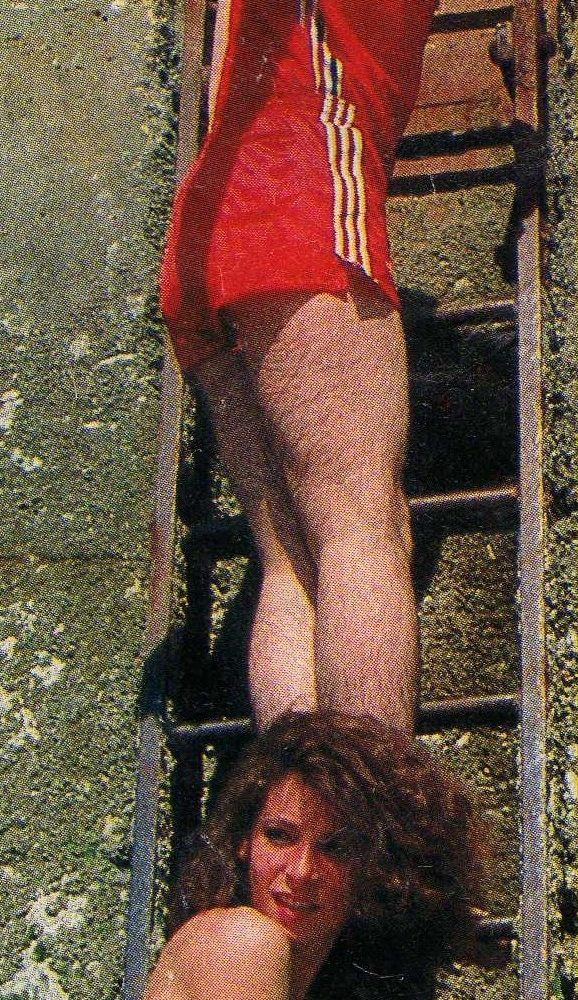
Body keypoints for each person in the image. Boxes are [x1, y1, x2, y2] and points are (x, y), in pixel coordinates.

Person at [160, 0, 439, 732]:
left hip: (207, 231)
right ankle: (364, 804)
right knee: (360, 532)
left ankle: (303, 801)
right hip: (298, 184)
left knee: (290, 561)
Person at [144, 710, 487, 1000]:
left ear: (376, 866)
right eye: (279, 836)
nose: (302, 871)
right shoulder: (243, 940)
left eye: (335, 848)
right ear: (243, 840)